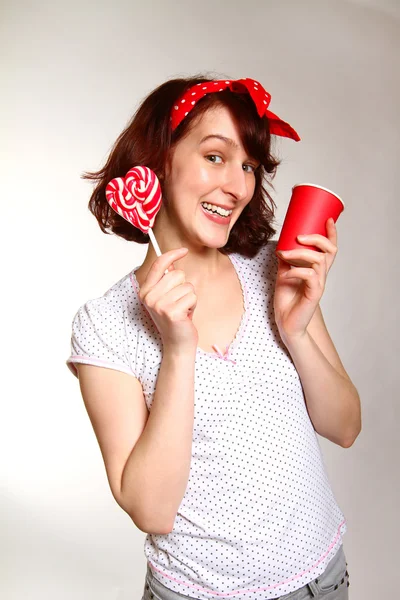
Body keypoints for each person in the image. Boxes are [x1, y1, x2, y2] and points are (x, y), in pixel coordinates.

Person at [66, 75, 361, 600]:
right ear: (159, 163)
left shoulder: (273, 269)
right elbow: (151, 508)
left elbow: (345, 426)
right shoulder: (105, 324)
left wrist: (295, 331)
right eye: (216, 157)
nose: (238, 186)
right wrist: (178, 350)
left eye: (248, 165)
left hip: (322, 581)